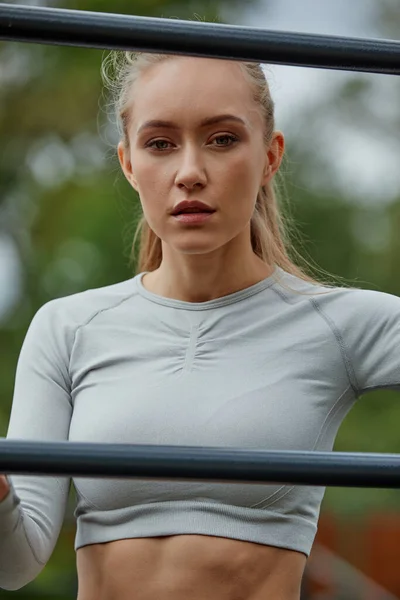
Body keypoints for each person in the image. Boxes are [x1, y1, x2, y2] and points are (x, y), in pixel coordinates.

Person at [0, 51, 400, 600]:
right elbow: (12, 565)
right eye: (160, 144)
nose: (189, 172)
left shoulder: (342, 324)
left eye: (222, 139)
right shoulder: (68, 327)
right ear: (128, 163)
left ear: (270, 155)